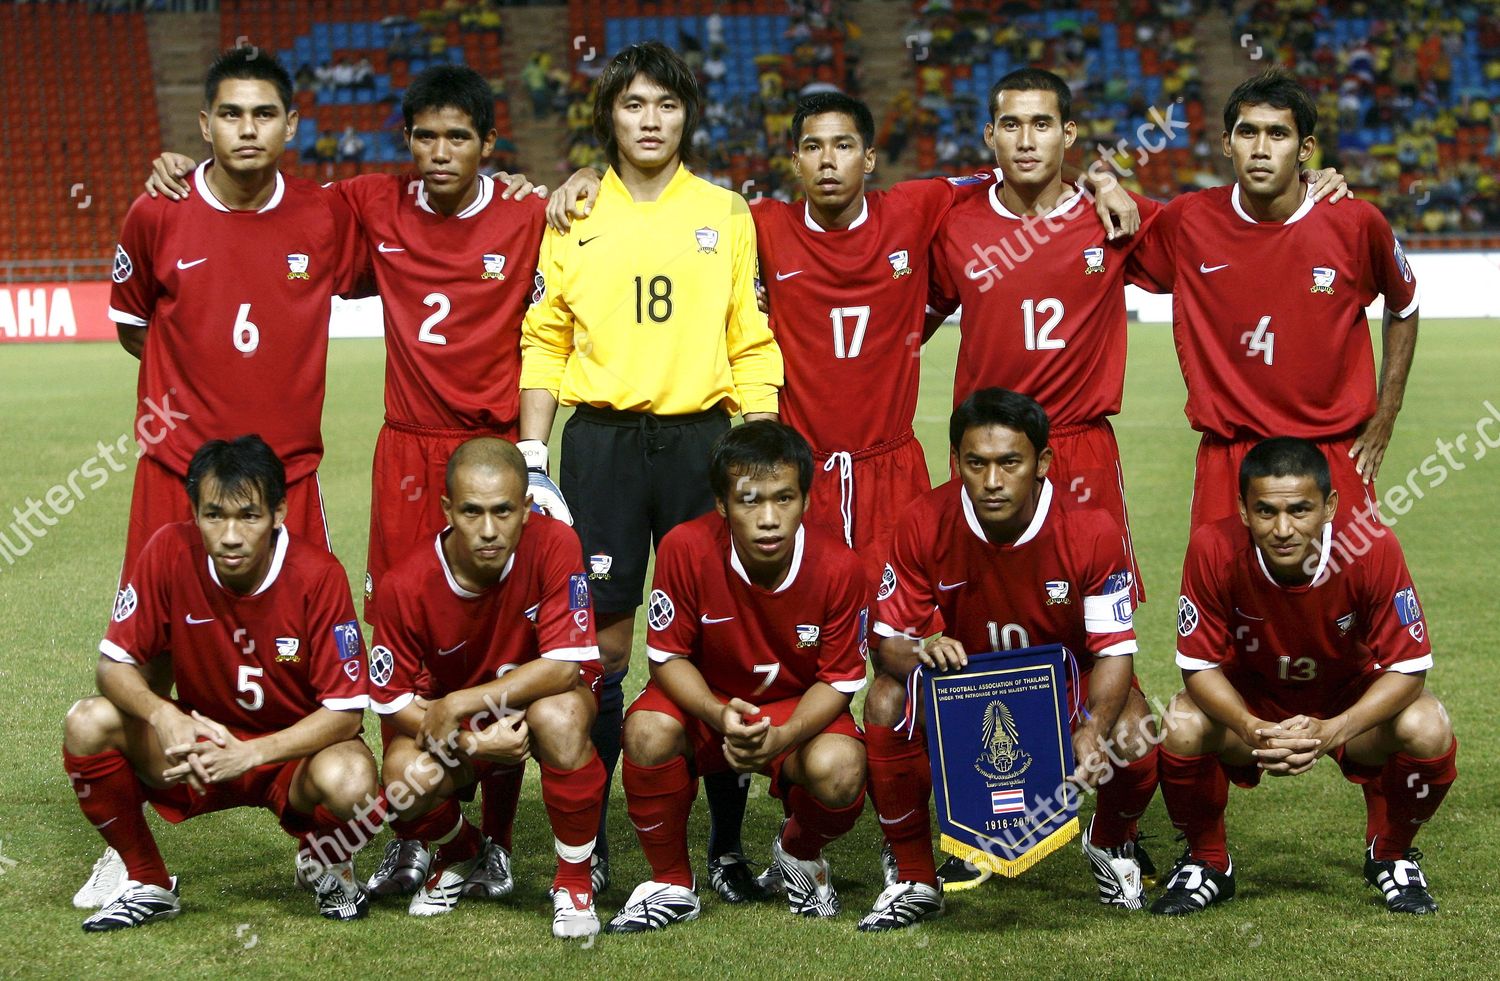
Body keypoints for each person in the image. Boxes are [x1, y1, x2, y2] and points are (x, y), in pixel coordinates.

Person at [144, 65, 553, 901]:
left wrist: (571, 181)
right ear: (405, 143)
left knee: (502, 644)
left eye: (460, 137)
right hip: (405, 456)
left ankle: (500, 840)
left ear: (488, 144)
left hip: (492, 454)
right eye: (426, 137)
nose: (441, 152)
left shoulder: (527, 211)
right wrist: (180, 175)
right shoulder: (368, 202)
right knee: (402, 652)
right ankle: (415, 830)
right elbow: (255, 203)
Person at [519, 41, 784, 897]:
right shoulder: (574, 213)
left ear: (687, 116)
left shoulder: (726, 212)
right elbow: (545, 339)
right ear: (610, 115)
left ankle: (727, 846)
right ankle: (588, 838)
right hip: (598, 443)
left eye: (666, 105)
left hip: (701, 440)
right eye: (633, 105)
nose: (650, 120)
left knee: (719, 641)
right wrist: (532, 452)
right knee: (599, 644)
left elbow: (751, 334)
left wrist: (764, 447)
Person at [869, 389, 1160, 929]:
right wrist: (921, 649)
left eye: (1010, 462)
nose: (993, 481)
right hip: (968, 687)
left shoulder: (1091, 529)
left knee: (1135, 727)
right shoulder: (923, 519)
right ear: (955, 461)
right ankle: (913, 875)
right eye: (976, 464)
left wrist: (1092, 728)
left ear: (1043, 463)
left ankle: (1111, 843)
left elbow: (1114, 652)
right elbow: (885, 642)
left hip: (1064, 685)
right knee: (885, 698)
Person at [63, 436, 376, 930]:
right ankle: (148, 881)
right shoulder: (168, 548)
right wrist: (163, 714)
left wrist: (251, 754)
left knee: (354, 781)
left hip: (289, 758)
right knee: (87, 722)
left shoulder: (319, 575)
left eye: (248, 516)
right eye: (214, 516)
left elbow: (345, 712)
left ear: (279, 512)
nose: (230, 535)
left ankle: (326, 861)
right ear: (194, 512)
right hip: (198, 744)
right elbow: (112, 666)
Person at [1154, 437, 1456, 915]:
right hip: (1252, 703)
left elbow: (1407, 669)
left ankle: (1392, 853)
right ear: (1243, 509)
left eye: (1300, 510)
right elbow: (1199, 667)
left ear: (1330, 506)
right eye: (1265, 511)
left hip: (1346, 702)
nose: (1283, 528)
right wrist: (1250, 727)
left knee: (1428, 725)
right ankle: (1207, 860)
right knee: (1180, 723)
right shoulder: (1212, 547)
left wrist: (1334, 729)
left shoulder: (1372, 547)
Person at [109, 46, 364, 578]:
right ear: (205, 125)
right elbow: (134, 329)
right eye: (231, 114)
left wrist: (508, 190)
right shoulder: (156, 213)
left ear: (291, 125)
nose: (247, 129)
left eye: (264, 114)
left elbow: (422, 224)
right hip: (174, 468)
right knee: (158, 645)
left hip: (285, 475)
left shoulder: (324, 215)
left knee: (296, 641)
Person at [1130, 69, 1419, 532]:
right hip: (1230, 455)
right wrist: (1100, 183)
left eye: (1278, 134)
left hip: (1329, 452)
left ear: (1305, 148)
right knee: (1222, 600)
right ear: (1227, 143)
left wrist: (1387, 412)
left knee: (1348, 596)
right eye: (1248, 132)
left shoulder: (1354, 222)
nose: (1261, 149)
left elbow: (1405, 304)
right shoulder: (1189, 220)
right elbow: (1089, 227)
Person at [606, 422, 868, 932]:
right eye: (749, 501)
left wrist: (787, 735)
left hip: (794, 708)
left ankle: (798, 852)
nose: (769, 519)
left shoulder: (841, 567)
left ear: (806, 501)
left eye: (783, 499)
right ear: (723, 505)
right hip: (709, 702)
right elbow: (666, 657)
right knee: (646, 730)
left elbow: (839, 680)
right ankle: (671, 883)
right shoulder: (685, 547)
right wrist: (716, 713)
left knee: (842, 768)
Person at [368, 438, 607, 937]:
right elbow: (393, 704)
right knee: (400, 776)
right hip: (465, 725)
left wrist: (459, 703)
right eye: (472, 512)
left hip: (534, 700)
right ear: (447, 509)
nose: (489, 530)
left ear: (526, 507)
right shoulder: (404, 585)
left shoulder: (556, 543)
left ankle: (574, 881)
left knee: (558, 717)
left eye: (504, 511)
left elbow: (565, 665)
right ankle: (465, 851)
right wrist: (473, 741)